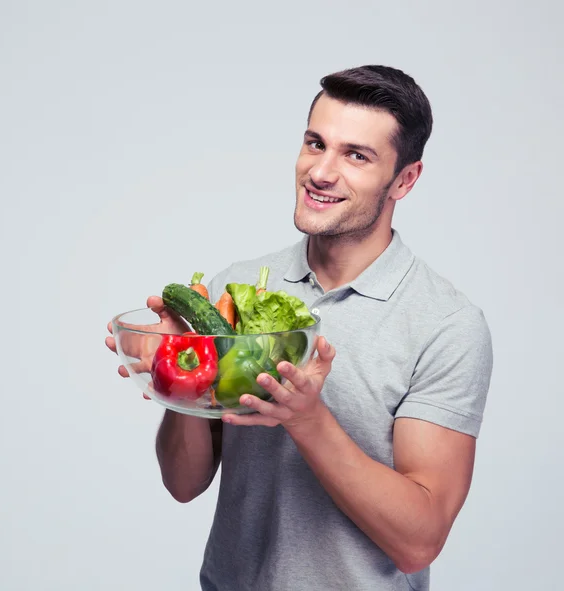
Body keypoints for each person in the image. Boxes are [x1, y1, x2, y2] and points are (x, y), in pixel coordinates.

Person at [105, 64, 493, 591]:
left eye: (356, 155)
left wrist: (307, 419)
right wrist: (178, 382)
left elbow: (418, 542)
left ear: (405, 179)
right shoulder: (236, 288)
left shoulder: (445, 325)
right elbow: (183, 483)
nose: (321, 172)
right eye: (316, 143)